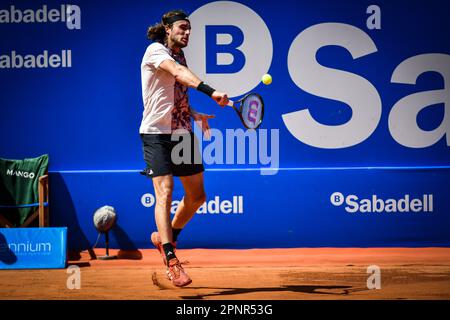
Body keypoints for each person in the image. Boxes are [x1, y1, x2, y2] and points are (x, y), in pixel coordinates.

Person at [140, 9, 229, 287]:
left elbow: (174, 92)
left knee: (197, 197)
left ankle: (169, 237)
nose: (186, 32)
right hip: (156, 134)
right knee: (165, 192)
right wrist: (211, 91)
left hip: (182, 133)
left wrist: (193, 112)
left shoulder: (179, 54)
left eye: (189, 28)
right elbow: (178, 74)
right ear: (167, 29)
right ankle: (171, 261)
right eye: (181, 28)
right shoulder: (156, 51)